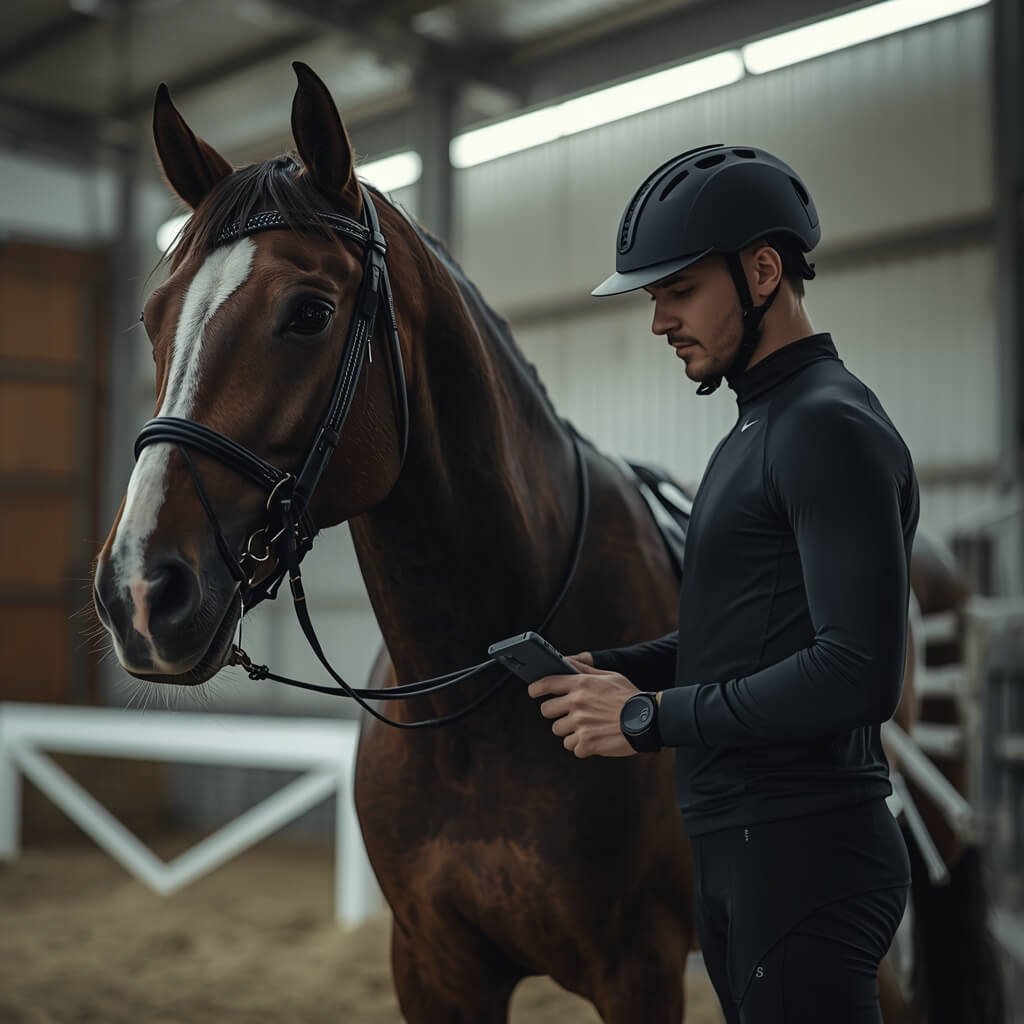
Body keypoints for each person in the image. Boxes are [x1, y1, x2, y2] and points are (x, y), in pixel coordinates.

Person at [528, 144, 919, 1023]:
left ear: (764, 271)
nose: (659, 321)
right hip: (746, 846)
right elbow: (747, 637)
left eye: (678, 291)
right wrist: (613, 665)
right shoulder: (761, 425)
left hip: (804, 853)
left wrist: (648, 717)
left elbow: (859, 672)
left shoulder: (825, 427)